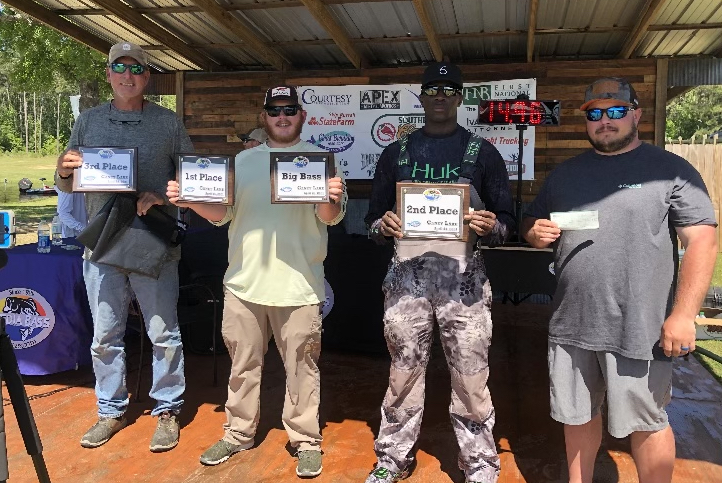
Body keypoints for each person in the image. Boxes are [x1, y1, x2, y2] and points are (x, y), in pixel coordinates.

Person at [522, 77, 718, 483]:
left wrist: (684, 315)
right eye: (595, 113)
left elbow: (702, 239)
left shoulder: (670, 170)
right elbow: (533, 222)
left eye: (615, 111)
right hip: (572, 324)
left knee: (647, 421)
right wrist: (533, 232)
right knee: (576, 416)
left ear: (636, 114)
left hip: (640, 328)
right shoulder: (566, 174)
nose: (605, 120)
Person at [166, 85, 346, 478]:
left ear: (302, 116)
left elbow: (330, 217)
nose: (282, 117)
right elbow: (220, 214)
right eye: (275, 110)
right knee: (242, 367)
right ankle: (238, 433)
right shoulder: (242, 162)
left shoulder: (322, 161)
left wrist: (328, 195)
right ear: (263, 117)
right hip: (244, 286)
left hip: (300, 287)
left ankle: (305, 440)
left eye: (290, 110)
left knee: (302, 370)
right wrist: (189, 200)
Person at [363, 62, 514, 483]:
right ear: (422, 97)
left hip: (464, 282)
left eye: (449, 89)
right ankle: (392, 458)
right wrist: (382, 226)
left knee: (470, 375)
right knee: (403, 371)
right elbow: (372, 221)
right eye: (432, 89)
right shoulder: (397, 152)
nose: (440, 96)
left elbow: (507, 222)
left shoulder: (483, 152)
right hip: (406, 280)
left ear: (460, 97)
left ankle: (479, 463)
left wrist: (491, 226)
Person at [55, 42, 192, 452]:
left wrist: (163, 196)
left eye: (135, 69)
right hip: (103, 245)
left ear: (147, 77)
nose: (127, 76)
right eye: (119, 68)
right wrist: (62, 170)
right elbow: (68, 182)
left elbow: (193, 179)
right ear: (109, 74)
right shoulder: (88, 121)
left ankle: (167, 409)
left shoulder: (168, 123)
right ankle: (110, 410)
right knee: (105, 336)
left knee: (163, 333)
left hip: (155, 244)